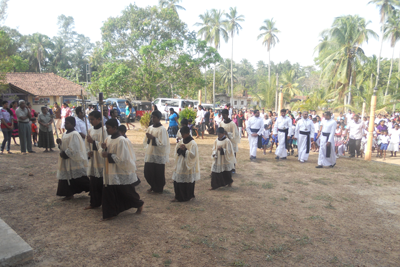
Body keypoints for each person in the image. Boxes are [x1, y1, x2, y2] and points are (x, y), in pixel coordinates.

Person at [99, 118, 144, 220]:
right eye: (106, 128)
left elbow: (123, 159)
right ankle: (110, 213)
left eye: (109, 128)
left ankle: (138, 204)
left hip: (119, 171)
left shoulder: (122, 141)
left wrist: (109, 155)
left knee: (125, 191)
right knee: (109, 191)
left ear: (115, 128)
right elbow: (104, 152)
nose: (107, 130)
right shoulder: (108, 139)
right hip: (110, 171)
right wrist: (104, 149)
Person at [56, 117, 90, 201]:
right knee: (66, 177)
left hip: (73, 160)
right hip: (66, 160)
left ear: (73, 124)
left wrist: (66, 153)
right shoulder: (65, 134)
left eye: (67, 123)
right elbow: (63, 146)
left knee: (79, 177)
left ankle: (92, 189)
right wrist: (60, 144)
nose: (65, 125)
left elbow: (74, 147)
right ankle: (68, 193)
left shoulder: (74, 134)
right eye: (65, 123)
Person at [85, 110, 108, 209]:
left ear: (99, 119)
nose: (90, 121)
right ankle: (94, 202)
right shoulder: (90, 130)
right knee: (93, 181)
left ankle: (104, 202)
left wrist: (93, 142)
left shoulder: (104, 130)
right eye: (89, 119)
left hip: (100, 158)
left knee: (101, 182)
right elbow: (87, 143)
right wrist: (88, 151)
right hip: (93, 158)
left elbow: (105, 144)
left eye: (92, 119)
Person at [143, 110, 170, 194]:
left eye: (154, 117)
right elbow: (146, 141)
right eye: (152, 117)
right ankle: (152, 185)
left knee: (158, 172)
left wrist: (153, 138)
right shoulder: (150, 127)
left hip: (158, 154)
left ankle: (158, 188)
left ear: (158, 118)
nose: (152, 119)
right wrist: (148, 138)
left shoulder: (162, 129)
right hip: (151, 153)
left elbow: (163, 143)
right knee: (148, 171)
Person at [171, 126, 200, 202]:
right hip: (180, 163)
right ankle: (177, 196)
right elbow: (176, 151)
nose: (182, 136)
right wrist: (180, 149)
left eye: (183, 134)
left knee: (187, 181)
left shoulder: (193, 143)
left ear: (188, 133)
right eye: (181, 134)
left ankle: (187, 196)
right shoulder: (181, 141)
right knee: (177, 180)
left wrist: (185, 150)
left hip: (187, 165)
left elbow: (193, 155)